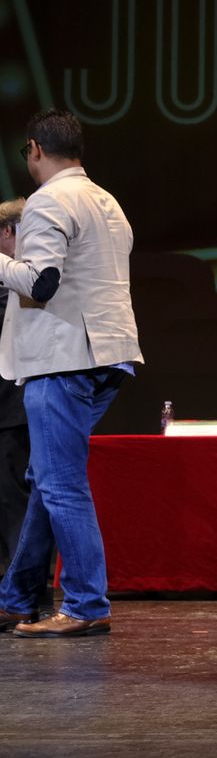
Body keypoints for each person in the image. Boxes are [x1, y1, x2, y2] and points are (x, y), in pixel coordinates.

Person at [0, 110, 142, 637]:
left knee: (60, 485)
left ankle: (85, 604)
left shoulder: (48, 200)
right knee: (46, 481)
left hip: (64, 358)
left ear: (35, 149)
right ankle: (16, 598)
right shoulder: (107, 201)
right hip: (108, 354)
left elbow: (41, 283)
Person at [0, 198, 39, 593]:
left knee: (15, 499)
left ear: (8, 232)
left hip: (13, 408)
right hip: (11, 407)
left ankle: (21, 585)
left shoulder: (25, 278)